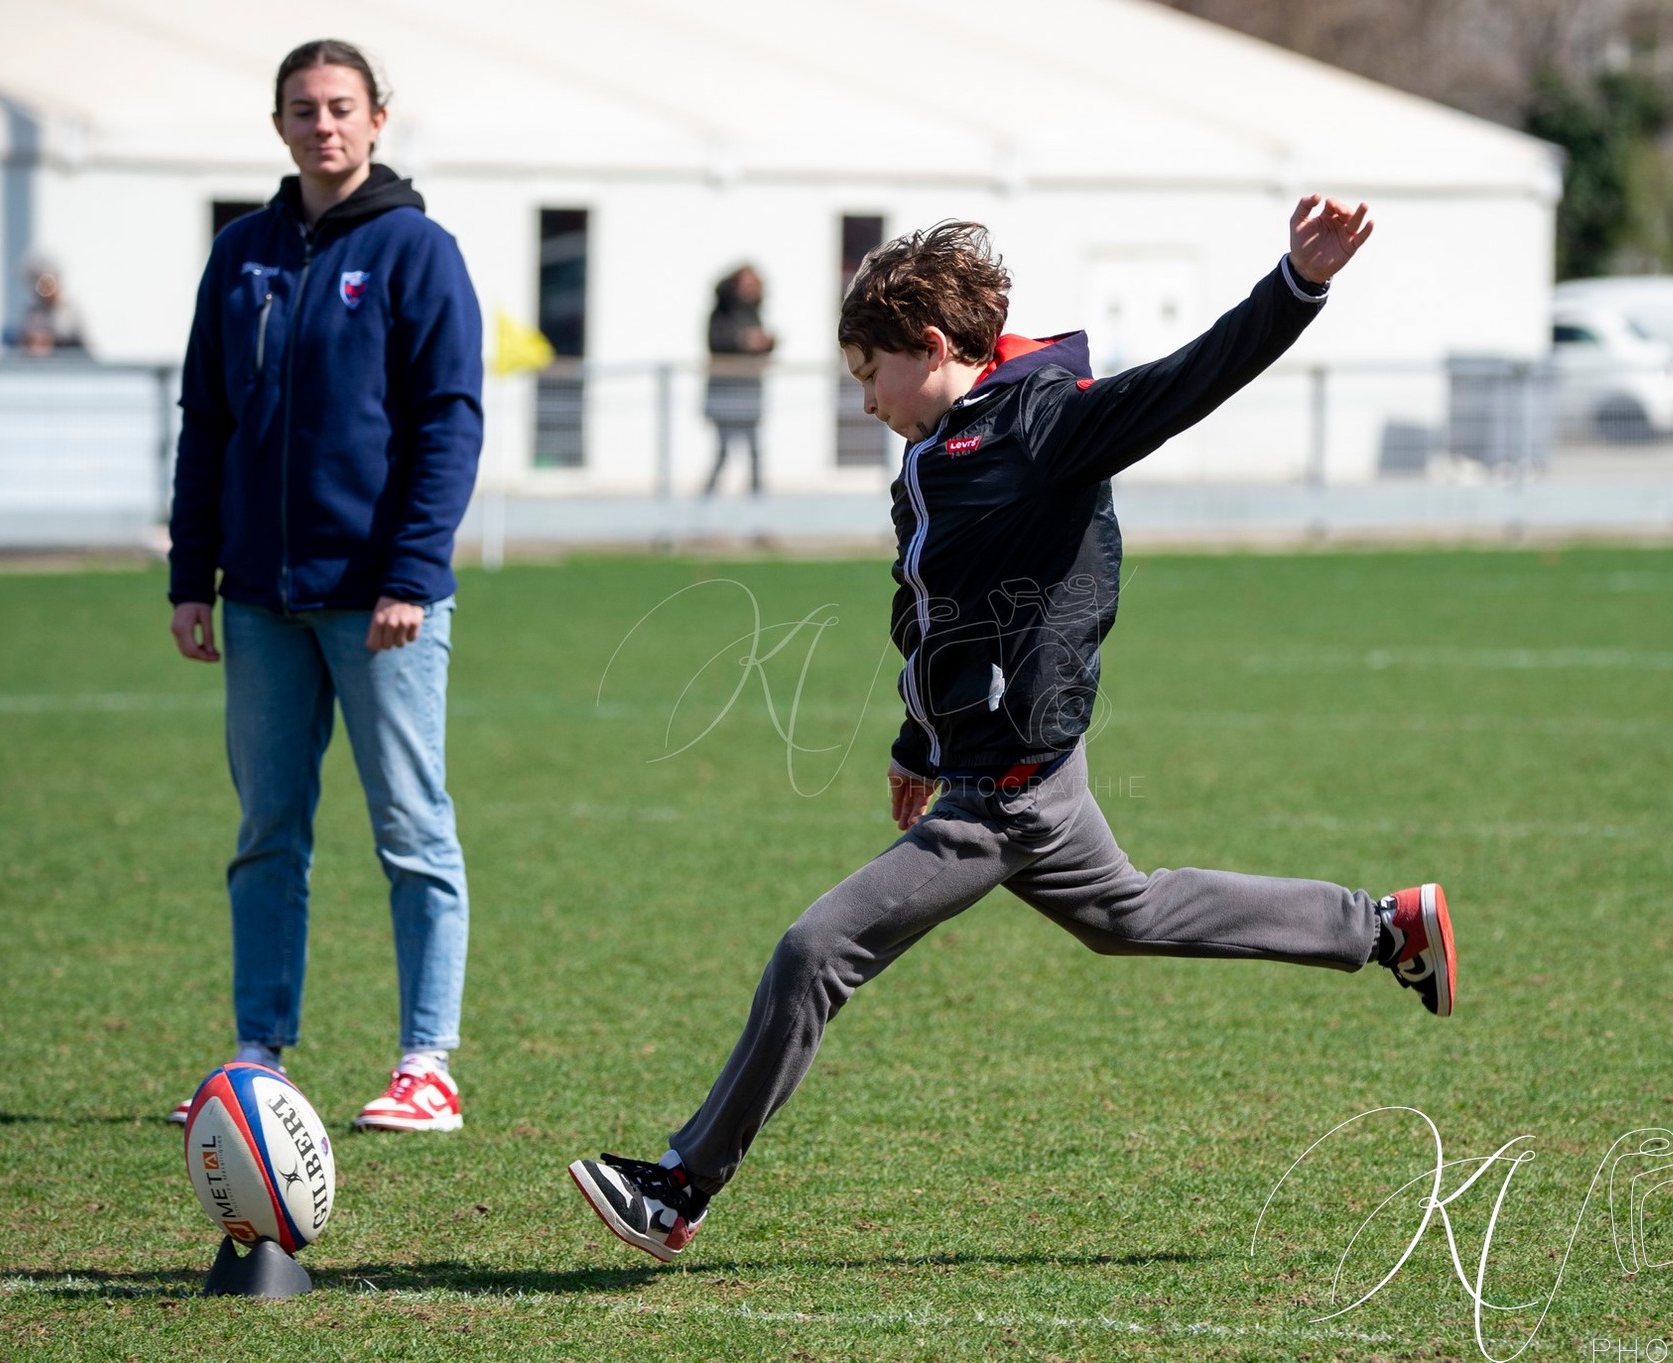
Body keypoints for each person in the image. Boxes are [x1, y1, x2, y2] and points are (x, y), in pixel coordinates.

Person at [568, 198, 1453, 1262]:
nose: (864, 399)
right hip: (1005, 767)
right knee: (1125, 911)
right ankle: (1383, 926)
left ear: (932, 348)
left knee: (815, 950)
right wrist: (912, 739)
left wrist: (1294, 284)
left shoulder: (1043, 424)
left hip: (1009, 783)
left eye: (869, 373)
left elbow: (1189, 380)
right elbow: (926, 611)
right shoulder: (927, 455)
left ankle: (678, 1186)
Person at [165, 39, 483, 1134]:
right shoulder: (239, 256)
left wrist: (410, 572)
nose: (323, 126)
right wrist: (190, 575)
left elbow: (449, 422)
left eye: (341, 107)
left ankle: (425, 1063)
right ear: (279, 125)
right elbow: (205, 420)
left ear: (378, 119)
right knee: (266, 832)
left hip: (382, 603)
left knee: (411, 829)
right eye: (303, 109)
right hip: (257, 598)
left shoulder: (417, 252)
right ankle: (259, 1053)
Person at [701, 265, 775, 495]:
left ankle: (757, 512)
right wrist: (742, 341)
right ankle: (703, 511)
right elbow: (717, 341)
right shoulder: (721, 312)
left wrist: (767, 343)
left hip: (749, 393)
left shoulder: (754, 312)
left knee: (754, 454)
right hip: (725, 394)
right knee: (722, 454)